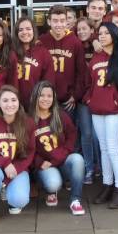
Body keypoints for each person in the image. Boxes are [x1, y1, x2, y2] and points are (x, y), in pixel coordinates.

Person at [83, 22, 118, 209]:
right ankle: (107, 184)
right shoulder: (96, 58)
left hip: (115, 111)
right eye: (100, 33)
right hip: (97, 110)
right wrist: (89, 99)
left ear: (114, 35)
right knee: (104, 148)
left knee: (113, 149)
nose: (103, 36)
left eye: (106, 33)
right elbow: (89, 83)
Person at [39, 6, 92, 180]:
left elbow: (81, 72)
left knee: (68, 137)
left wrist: (75, 95)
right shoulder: (42, 41)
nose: (59, 24)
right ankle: (52, 171)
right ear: (49, 21)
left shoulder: (74, 42)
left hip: (66, 100)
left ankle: (70, 173)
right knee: (48, 136)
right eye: (55, 20)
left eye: (62, 20)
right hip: (47, 101)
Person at [0, 85, 36, 224]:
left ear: (19, 102)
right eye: (5, 100)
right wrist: (5, 163)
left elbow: (30, 152)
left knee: (20, 200)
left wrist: (15, 168)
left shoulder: (28, 122)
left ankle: (9, 196)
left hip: (17, 168)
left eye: (13, 100)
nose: (10, 104)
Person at [30, 81, 86, 215]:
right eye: (42, 95)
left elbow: (71, 137)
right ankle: (50, 191)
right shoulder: (29, 120)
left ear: (54, 98)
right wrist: (39, 162)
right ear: (35, 96)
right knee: (53, 183)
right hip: (44, 165)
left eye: (49, 96)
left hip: (61, 160)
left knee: (78, 159)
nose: (46, 99)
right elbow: (27, 149)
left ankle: (75, 200)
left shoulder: (60, 115)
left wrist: (56, 159)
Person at [12, 17, 54, 110]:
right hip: (12, 106)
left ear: (33, 31)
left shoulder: (43, 53)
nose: (24, 32)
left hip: (35, 106)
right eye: (21, 30)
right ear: (16, 33)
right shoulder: (10, 51)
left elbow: (48, 82)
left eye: (28, 29)